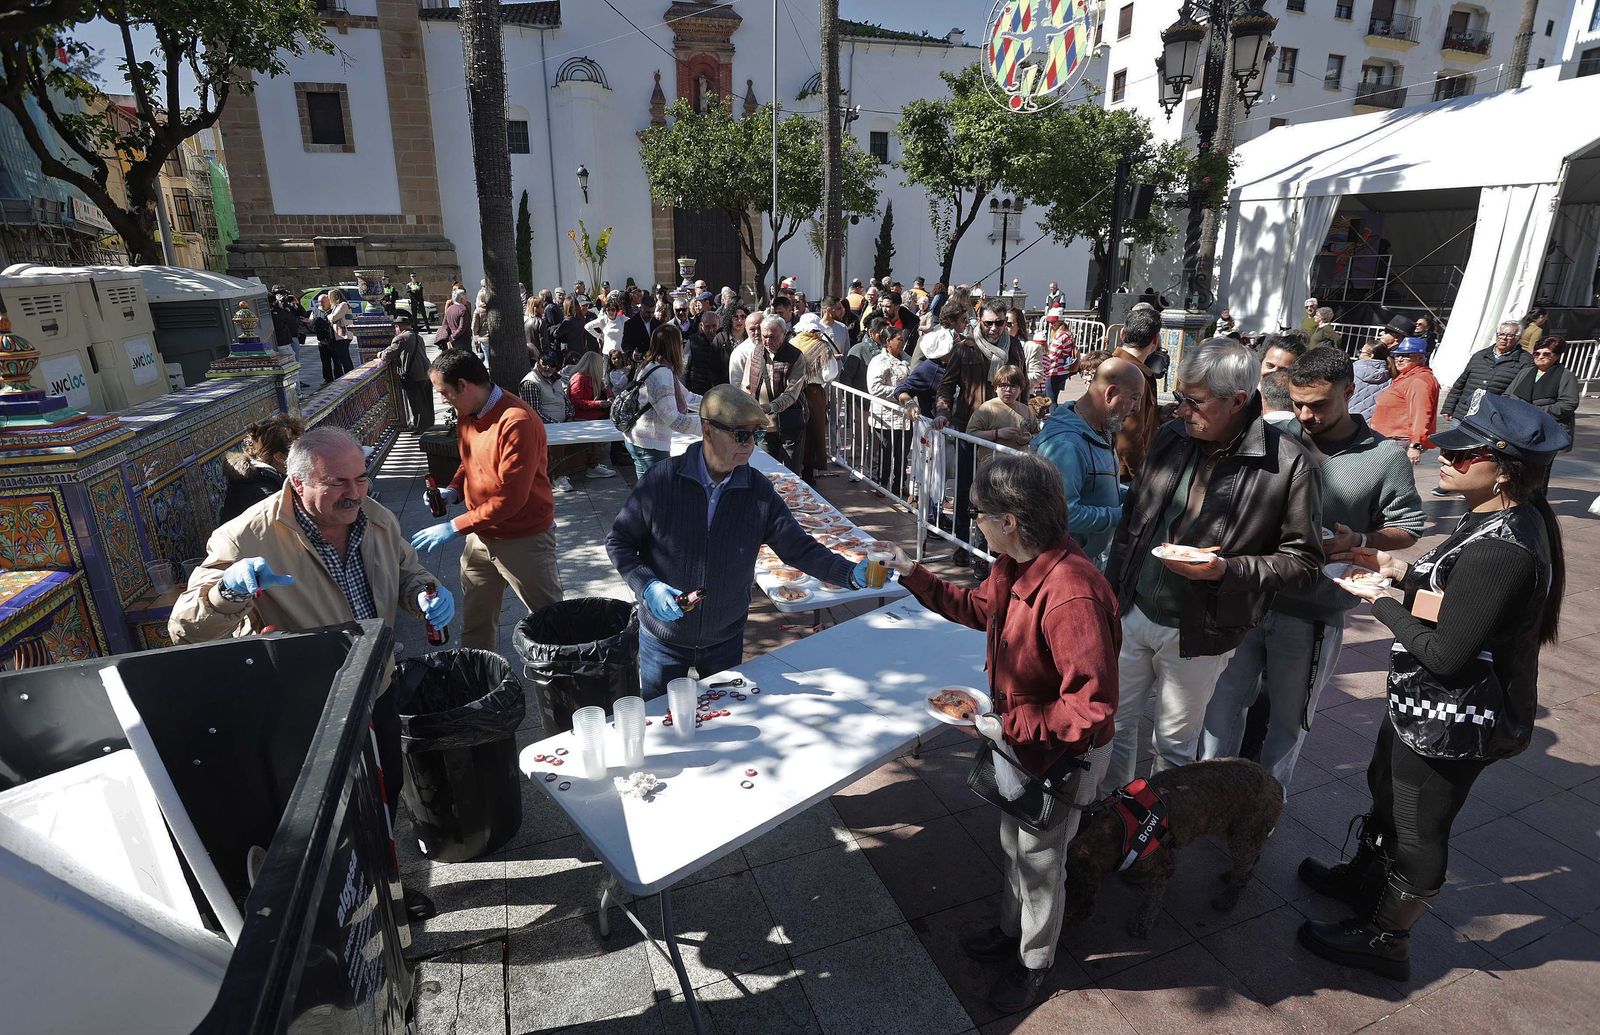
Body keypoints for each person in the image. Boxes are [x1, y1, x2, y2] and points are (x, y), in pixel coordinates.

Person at [1298, 392, 1568, 981]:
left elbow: (1447, 652)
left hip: (1456, 714)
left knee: (1420, 826)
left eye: (1463, 454)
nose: (1444, 460)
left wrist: (1380, 601)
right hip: (1426, 704)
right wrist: (1389, 563)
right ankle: (1365, 881)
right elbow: (1460, 602)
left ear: (1506, 471)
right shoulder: (1491, 519)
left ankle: (1386, 937)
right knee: (1387, 795)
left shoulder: (1504, 545)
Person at [170, 426, 453, 923]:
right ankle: (340, 906)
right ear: (297, 483)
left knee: (383, 796)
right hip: (307, 707)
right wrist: (227, 594)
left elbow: (407, 572)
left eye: (361, 479)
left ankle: (385, 887)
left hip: (376, 686)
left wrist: (426, 592)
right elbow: (185, 629)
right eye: (338, 483)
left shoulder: (376, 518)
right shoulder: (246, 535)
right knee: (329, 814)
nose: (355, 493)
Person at [878, 453, 1118, 1013]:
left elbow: (1090, 708)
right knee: (1016, 843)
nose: (973, 521)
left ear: (1010, 520)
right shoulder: (1016, 564)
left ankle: (1034, 962)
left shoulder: (1071, 593)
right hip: (1023, 741)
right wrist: (912, 573)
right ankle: (1013, 933)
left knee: (1040, 858)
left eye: (979, 512)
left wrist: (1003, 725)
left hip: (1060, 754)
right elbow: (978, 607)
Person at [1100, 338, 1322, 793]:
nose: (1181, 410)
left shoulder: (1289, 464)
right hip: (1133, 610)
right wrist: (1111, 596)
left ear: (1238, 400)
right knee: (1112, 728)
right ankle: (1111, 818)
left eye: (1194, 401)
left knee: (1175, 745)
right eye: (1179, 397)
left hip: (1200, 628)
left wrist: (1227, 572)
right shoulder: (1172, 435)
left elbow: (1303, 560)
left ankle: (1157, 832)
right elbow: (1133, 520)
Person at [1200, 347, 1425, 791]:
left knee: (1288, 722)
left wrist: (1360, 541)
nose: (1306, 414)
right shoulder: (1274, 436)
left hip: (1312, 614)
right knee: (1221, 706)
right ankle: (1206, 793)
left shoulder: (1384, 458)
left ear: (1350, 391)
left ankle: (1263, 808)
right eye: (1298, 403)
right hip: (1249, 596)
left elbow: (1408, 527)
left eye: (1319, 404)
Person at [607, 385, 867, 694]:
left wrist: (847, 573)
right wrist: (647, 585)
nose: (750, 446)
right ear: (707, 429)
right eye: (740, 435)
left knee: (726, 724)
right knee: (662, 729)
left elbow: (798, 546)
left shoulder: (758, 492)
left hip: (724, 640)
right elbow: (619, 541)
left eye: (755, 435)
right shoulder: (662, 481)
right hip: (663, 639)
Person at [414, 350, 562, 650]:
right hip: (480, 538)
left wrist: (454, 526)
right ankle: (480, 684)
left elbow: (510, 499)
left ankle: (568, 686)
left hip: (524, 539)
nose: (443, 400)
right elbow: (468, 458)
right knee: (475, 625)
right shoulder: (468, 412)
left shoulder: (516, 421)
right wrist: (453, 489)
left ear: (464, 385)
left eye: (444, 392)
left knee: (553, 624)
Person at [1033, 358, 1146, 569]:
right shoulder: (1066, 444)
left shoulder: (1100, 430)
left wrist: (1133, 498)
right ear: (1110, 394)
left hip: (1083, 560)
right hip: (1060, 567)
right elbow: (1064, 515)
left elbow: (1095, 490)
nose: (1137, 408)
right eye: (1134, 398)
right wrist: (1122, 514)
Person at [624, 324, 702, 478]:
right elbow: (673, 419)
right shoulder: (662, 374)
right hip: (649, 445)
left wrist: (719, 405)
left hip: (639, 438)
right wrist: (710, 429)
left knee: (649, 495)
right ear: (673, 346)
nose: (682, 347)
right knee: (654, 497)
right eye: (681, 343)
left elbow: (688, 397)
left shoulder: (652, 365)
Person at [1506, 335, 1577, 493]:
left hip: (1546, 432)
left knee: (1538, 473)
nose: (1540, 357)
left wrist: (1536, 412)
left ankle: (1537, 507)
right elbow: (1507, 395)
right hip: (1520, 429)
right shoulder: (1525, 372)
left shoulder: (1565, 376)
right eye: (1537, 353)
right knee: (1517, 469)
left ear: (1556, 356)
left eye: (1547, 354)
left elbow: (1569, 403)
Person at [745, 315, 810, 476]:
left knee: (791, 475)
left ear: (784, 333)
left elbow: (791, 394)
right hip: (763, 426)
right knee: (766, 474)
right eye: (764, 336)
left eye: (773, 337)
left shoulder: (796, 357)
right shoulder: (756, 352)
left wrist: (769, 407)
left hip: (790, 424)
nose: (767, 341)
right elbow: (746, 386)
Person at [218, 414, 306, 524]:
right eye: (300, 452)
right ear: (280, 457)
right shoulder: (267, 496)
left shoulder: (264, 477)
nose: (305, 456)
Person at [1111, 307, 1163, 482]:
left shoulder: (1115, 364)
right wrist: (1144, 479)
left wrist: (1159, 412)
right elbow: (1128, 439)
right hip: (1123, 473)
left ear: (1122, 335)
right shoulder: (1131, 374)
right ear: (1155, 339)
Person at [1442, 320, 1532, 422]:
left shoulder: (1525, 361)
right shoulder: (1480, 355)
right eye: (1501, 334)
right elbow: (1460, 383)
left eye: (1509, 335)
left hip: (1492, 418)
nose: (1503, 338)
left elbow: (1519, 393)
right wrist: (1449, 407)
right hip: (1463, 413)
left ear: (1517, 338)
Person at [1369, 337, 1440, 466]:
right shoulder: (1408, 376)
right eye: (1397, 355)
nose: (1399, 359)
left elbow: (1421, 414)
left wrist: (1415, 445)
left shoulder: (1419, 380)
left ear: (1420, 358)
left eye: (1406, 356)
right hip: (1391, 439)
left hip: (1398, 441)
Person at [866, 326, 912, 496]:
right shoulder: (879, 361)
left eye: (903, 339)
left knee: (902, 454)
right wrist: (899, 392)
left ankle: (899, 483)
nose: (902, 342)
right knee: (885, 452)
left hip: (906, 416)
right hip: (885, 416)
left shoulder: (907, 359)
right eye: (899, 339)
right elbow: (874, 388)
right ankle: (881, 483)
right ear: (888, 342)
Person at [382, 314, 435, 432]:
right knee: (427, 400)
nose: (395, 329)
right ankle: (429, 423)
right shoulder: (418, 336)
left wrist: (379, 354)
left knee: (416, 402)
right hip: (427, 372)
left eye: (396, 327)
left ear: (399, 327)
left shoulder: (401, 338)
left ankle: (420, 427)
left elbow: (387, 354)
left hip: (413, 375)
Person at [684, 309, 728, 395]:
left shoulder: (725, 341)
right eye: (707, 326)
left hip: (720, 392)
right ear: (701, 326)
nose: (711, 330)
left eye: (714, 326)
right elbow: (684, 367)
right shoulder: (693, 341)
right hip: (697, 391)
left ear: (719, 325)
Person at [841, 316, 886, 392]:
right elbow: (846, 378)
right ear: (871, 333)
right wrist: (851, 400)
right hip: (861, 399)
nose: (884, 335)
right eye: (880, 332)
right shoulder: (857, 350)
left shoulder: (887, 351)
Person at [1349, 341, 1390, 420]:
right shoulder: (1389, 374)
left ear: (1371, 355)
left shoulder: (1354, 369)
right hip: (1374, 420)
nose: (1359, 354)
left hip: (1351, 417)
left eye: (1361, 351)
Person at [1043, 308, 1078, 400]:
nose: (1051, 324)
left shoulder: (1060, 335)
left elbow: (1053, 355)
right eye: (1050, 322)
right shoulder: (1068, 333)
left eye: (1053, 322)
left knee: (1051, 401)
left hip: (1055, 370)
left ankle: (1054, 414)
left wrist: (1042, 364)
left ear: (1060, 321)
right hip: (1063, 370)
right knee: (1053, 398)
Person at [433, 287, 471, 352]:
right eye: (465, 298)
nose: (466, 300)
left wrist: (449, 337)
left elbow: (445, 324)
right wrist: (453, 337)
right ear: (461, 299)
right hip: (463, 340)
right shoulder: (463, 310)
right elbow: (462, 328)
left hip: (453, 340)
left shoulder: (449, 309)